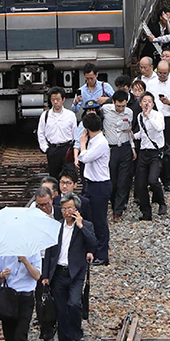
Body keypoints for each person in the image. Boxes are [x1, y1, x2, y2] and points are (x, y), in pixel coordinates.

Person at [40, 194, 96, 341]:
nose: (66, 212)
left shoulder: (86, 225)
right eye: (64, 208)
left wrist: (80, 226)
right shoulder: (56, 226)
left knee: (74, 304)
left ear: (76, 209)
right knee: (61, 310)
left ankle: (77, 334)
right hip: (58, 273)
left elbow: (93, 243)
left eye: (70, 208)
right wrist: (45, 275)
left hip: (76, 273)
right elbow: (49, 252)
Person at [0, 250, 42, 341]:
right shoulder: (4, 251)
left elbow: (37, 275)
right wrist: (1, 275)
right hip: (8, 296)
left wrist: (26, 262)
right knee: (9, 336)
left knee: (20, 334)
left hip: (25, 297)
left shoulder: (33, 251)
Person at [76, 112, 110, 265]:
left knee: (99, 220)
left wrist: (82, 143)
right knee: (89, 218)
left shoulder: (100, 142)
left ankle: (102, 255)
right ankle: (93, 250)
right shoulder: (95, 140)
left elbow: (84, 158)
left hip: (100, 185)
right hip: (91, 183)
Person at [144, 61, 170, 192]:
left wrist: (169, 102)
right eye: (160, 73)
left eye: (164, 73)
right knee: (155, 150)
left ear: (169, 72)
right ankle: (156, 178)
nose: (162, 76)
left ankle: (167, 179)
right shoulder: (151, 84)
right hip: (155, 118)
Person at [132, 92, 167, 220]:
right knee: (140, 184)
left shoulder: (158, 116)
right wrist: (132, 135)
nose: (147, 103)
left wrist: (149, 117)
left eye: (150, 101)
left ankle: (161, 202)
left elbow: (159, 128)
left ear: (153, 104)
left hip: (155, 152)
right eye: (144, 101)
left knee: (153, 180)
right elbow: (142, 134)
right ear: (140, 103)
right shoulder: (139, 117)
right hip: (143, 152)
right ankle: (146, 213)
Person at [30, 187, 58, 341]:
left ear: (52, 200)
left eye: (46, 204)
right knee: (41, 298)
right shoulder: (32, 218)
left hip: (57, 261)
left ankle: (57, 325)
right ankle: (46, 331)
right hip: (40, 261)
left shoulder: (60, 213)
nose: (44, 208)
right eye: (40, 205)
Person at [102, 91, 134, 221]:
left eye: (123, 106)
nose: (121, 109)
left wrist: (132, 147)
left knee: (124, 181)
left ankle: (118, 211)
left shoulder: (129, 112)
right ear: (113, 102)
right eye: (118, 106)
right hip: (111, 149)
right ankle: (114, 204)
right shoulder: (105, 110)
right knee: (112, 181)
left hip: (125, 147)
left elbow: (130, 130)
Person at [37, 87, 76, 181]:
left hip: (67, 149)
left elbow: (75, 134)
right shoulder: (45, 115)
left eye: (58, 99)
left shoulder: (70, 115)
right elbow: (40, 133)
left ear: (63, 99)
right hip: (53, 149)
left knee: (69, 176)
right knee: (54, 178)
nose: (55, 102)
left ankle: (68, 195)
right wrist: (46, 148)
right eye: (53, 99)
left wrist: (75, 150)